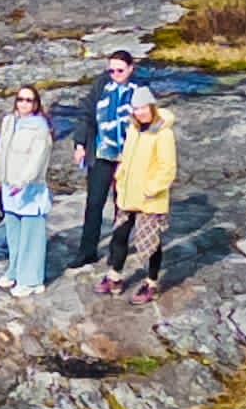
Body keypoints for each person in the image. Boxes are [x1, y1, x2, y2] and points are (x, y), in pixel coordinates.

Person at [102, 83, 177, 297]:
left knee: (150, 243)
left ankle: (151, 282)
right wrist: (119, 176)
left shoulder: (163, 133)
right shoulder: (133, 129)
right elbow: (126, 158)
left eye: (144, 107)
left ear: (152, 106)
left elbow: (168, 167)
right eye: (136, 108)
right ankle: (115, 276)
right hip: (127, 194)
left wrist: (152, 188)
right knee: (119, 236)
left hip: (149, 198)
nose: (140, 112)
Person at [72, 51, 138, 268]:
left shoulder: (139, 91)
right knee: (94, 203)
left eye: (120, 70)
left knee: (123, 206)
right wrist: (80, 143)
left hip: (127, 158)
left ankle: (117, 252)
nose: (115, 74)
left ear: (130, 68)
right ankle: (87, 251)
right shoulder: (101, 86)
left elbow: (151, 122)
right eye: (111, 70)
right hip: (101, 153)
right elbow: (86, 114)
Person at [0, 83, 56, 296]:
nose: (24, 103)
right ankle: (15, 270)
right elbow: (1, 149)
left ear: (36, 104)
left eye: (29, 100)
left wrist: (23, 181)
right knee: (14, 233)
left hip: (29, 188)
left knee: (31, 235)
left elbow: (38, 159)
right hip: (9, 187)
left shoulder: (41, 128)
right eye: (20, 99)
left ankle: (31, 280)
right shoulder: (9, 122)